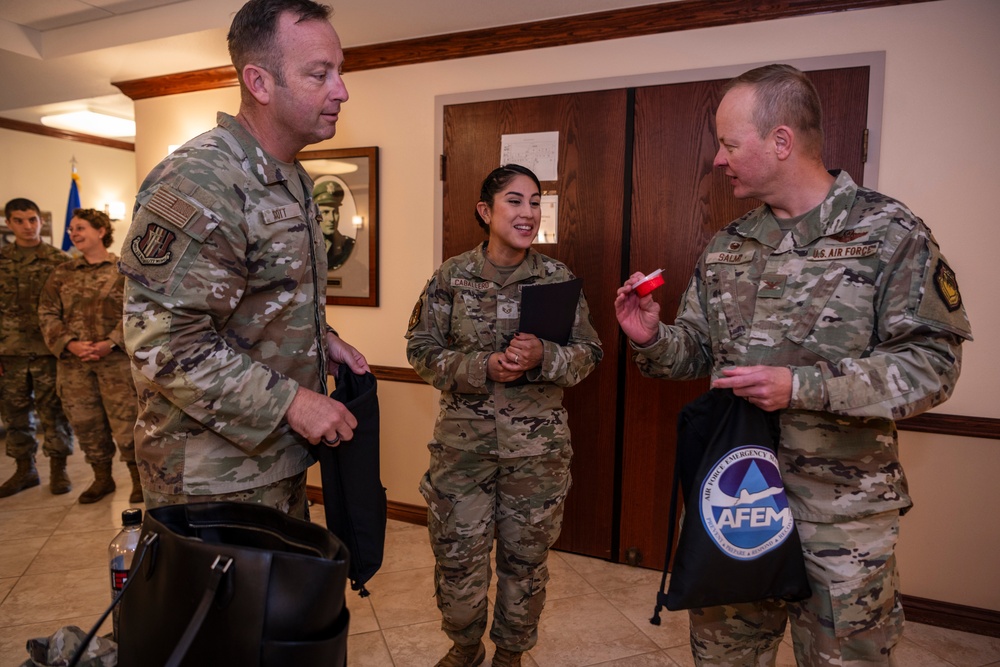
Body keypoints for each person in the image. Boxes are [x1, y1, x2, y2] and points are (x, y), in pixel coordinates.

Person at [615, 64, 972, 666]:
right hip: (735, 503)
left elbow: (933, 365)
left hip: (841, 518)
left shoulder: (890, 233)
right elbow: (699, 351)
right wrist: (652, 338)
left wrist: (802, 387)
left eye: (729, 144)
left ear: (781, 141)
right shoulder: (727, 245)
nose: (718, 159)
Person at [118, 0, 368, 519]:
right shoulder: (201, 180)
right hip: (211, 482)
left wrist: (320, 338)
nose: (341, 90)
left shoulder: (292, 178)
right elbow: (162, 340)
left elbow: (257, 300)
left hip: (273, 460)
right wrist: (294, 402)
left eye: (339, 72)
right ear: (259, 83)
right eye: (320, 74)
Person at [406, 164, 603, 667]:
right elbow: (420, 348)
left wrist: (546, 357)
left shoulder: (556, 279)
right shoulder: (451, 277)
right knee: (457, 559)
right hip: (462, 453)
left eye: (535, 202)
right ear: (485, 211)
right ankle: (464, 646)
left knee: (525, 564)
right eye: (515, 201)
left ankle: (510, 654)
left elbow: (589, 353)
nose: (528, 213)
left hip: (536, 456)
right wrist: (481, 366)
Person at [37, 208, 142, 504]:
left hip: (116, 364)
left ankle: (138, 480)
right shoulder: (61, 273)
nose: (74, 233)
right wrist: (69, 343)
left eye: (80, 227)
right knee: (86, 423)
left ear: (101, 231)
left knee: (127, 423)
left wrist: (111, 342)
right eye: (71, 229)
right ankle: (102, 479)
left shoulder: (124, 270)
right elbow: (46, 312)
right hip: (75, 366)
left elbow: (137, 312)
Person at [0, 198, 74, 498]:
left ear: (41, 222)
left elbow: (68, 308)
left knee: (53, 413)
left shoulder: (59, 261)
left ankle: (59, 470)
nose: (28, 226)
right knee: (15, 414)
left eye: (33, 220)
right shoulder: (1, 260)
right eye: (20, 220)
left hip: (48, 351)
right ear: (8, 223)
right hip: (10, 351)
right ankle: (25, 470)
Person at [315, 179, 355, 269]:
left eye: (335, 212)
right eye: (325, 212)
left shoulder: (348, 246)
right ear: (315, 215)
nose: (332, 218)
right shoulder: (306, 245)